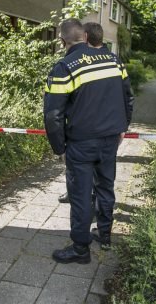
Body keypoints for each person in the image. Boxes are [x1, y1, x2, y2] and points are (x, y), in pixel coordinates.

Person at [44, 19, 133, 262]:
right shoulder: (114, 61)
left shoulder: (65, 67)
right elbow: (128, 96)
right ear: (85, 36)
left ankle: (80, 249)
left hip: (81, 143)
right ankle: (105, 235)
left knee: (81, 195)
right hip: (110, 140)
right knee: (106, 187)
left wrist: (59, 148)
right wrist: (123, 127)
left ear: (62, 41)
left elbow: (53, 115)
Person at [57, 21, 109, 205]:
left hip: (94, 130)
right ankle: (76, 193)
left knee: (93, 172)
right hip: (87, 128)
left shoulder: (107, 61)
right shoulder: (75, 63)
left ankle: (90, 199)